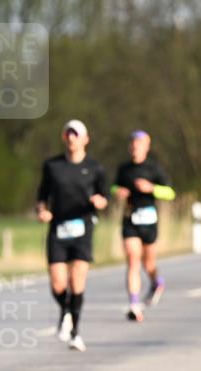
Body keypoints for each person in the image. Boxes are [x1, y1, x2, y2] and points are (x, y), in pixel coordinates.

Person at [36, 120, 109, 351]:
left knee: (77, 279)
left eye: (76, 134)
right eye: (68, 134)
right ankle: (66, 311)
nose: (71, 138)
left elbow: (104, 195)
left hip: (83, 227)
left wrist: (100, 201)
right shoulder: (52, 166)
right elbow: (42, 195)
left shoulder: (95, 168)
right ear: (63, 137)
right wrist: (42, 210)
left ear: (85, 139)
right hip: (58, 227)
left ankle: (75, 332)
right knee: (58, 282)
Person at [112, 130, 175, 322]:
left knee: (148, 264)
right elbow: (113, 187)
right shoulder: (124, 169)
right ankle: (134, 304)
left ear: (146, 147)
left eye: (139, 145)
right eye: (132, 144)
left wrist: (152, 188)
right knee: (133, 260)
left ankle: (156, 281)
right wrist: (118, 191)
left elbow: (170, 193)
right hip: (130, 218)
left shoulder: (154, 169)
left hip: (149, 220)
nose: (134, 148)